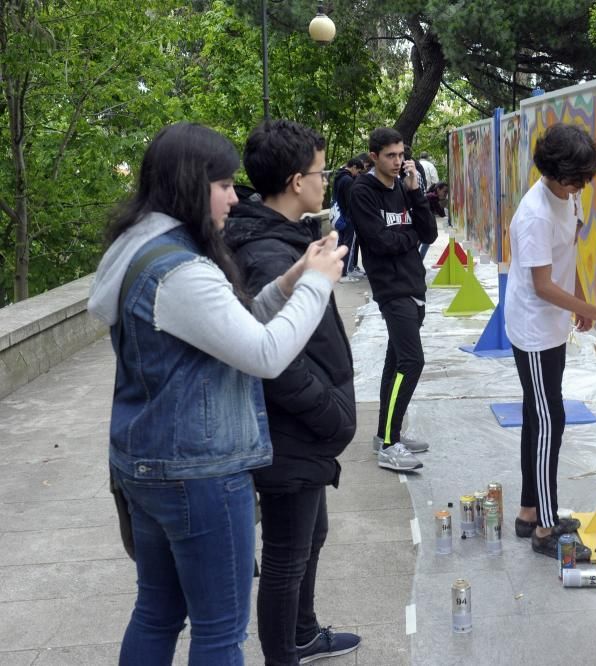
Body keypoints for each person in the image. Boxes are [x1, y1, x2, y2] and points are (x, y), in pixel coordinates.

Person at [87, 122, 347, 665]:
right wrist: (320, 283)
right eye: (224, 184)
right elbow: (266, 354)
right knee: (220, 631)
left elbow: (234, 327)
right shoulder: (180, 270)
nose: (235, 195)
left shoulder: (140, 247)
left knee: (156, 613)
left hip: (147, 465)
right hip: (199, 474)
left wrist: (292, 278)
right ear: (189, 184)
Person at [225, 120, 361, 665]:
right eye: (319, 172)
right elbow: (275, 362)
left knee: (311, 536)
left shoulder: (283, 239)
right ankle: (284, 653)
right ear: (293, 181)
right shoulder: (266, 251)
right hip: (291, 431)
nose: (325, 180)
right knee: (285, 554)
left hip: (301, 432)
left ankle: (302, 633)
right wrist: (331, 415)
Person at [504, 123, 596, 560]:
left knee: (539, 415)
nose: (584, 186)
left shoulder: (569, 196)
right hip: (534, 330)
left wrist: (580, 299)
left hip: (553, 324)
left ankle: (529, 512)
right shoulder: (535, 214)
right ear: (558, 175)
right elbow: (542, 284)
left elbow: (569, 253)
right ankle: (545, 527)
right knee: (548, 421)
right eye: (579, 178)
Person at [350, 127, 438, 471]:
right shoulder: (363, 191)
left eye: (401, 155)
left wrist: (415, 192)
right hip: (391, 289)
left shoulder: (403, 186)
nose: (398, 161)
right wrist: (409, 235)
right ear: (374, 157)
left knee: (395, 362)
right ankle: (389, 443)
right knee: (411, 362)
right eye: (391, 155)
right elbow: (379, 243)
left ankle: (389, 432)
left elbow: (428, 232)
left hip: (413, 283)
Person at [332, 156, 364, 280]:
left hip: (339, 216)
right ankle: (344, 273)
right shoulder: (348, 180)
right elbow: (349, 201)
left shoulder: (338, 176)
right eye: (358, 171)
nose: (358, 174)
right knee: (348, 246)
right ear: (354, 167)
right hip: (348, 217)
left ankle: (338, 270)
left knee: (340, 243)